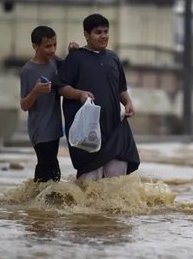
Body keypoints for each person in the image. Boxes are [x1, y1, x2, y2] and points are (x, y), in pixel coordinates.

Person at [54, 13, 140, 181]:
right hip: (87, 133)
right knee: (88, 188)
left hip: (113, 131)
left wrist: (128, 103)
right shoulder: (76, 58)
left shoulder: (113, 58)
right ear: (86, 35)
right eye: (98, 32)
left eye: (106, 31)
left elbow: (121, 89)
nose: (103, 36)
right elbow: (61, 88)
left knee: (117, 186)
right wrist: (79, 94)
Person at [20, 26, 65, 182]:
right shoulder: (28, 70)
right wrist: (35, 91)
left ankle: (38, 202)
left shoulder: (55, 62)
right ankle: (38, 201)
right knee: (48, 167)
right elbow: (24, 105)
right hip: (39, 129)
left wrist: (73, 51)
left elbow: (71, 67)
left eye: (54, 45)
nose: (52, 50)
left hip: (54, 127)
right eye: (47, 46)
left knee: (52, 169)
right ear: (35, 46)